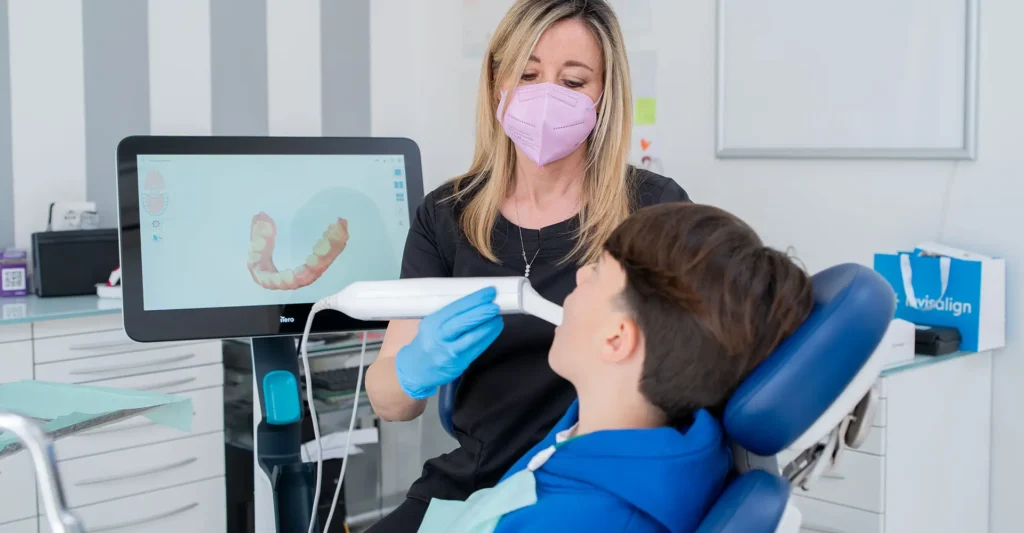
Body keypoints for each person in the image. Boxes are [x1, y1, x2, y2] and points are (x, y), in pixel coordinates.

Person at [364, 0, 689, 530]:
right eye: (527, 74)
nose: (545, 97)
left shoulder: (652, 211)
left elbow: (691, 373)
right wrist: (414, 367)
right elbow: (392, 403)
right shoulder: (447, 215)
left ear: (604, 93)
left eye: (573, 81)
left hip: (586, 485)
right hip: (472, 487)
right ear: (497, 81)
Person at [415, 202, 816, 533]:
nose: (579, 274)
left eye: (597, 272)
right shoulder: (634, 437)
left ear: (616, 339)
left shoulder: (578, 522)